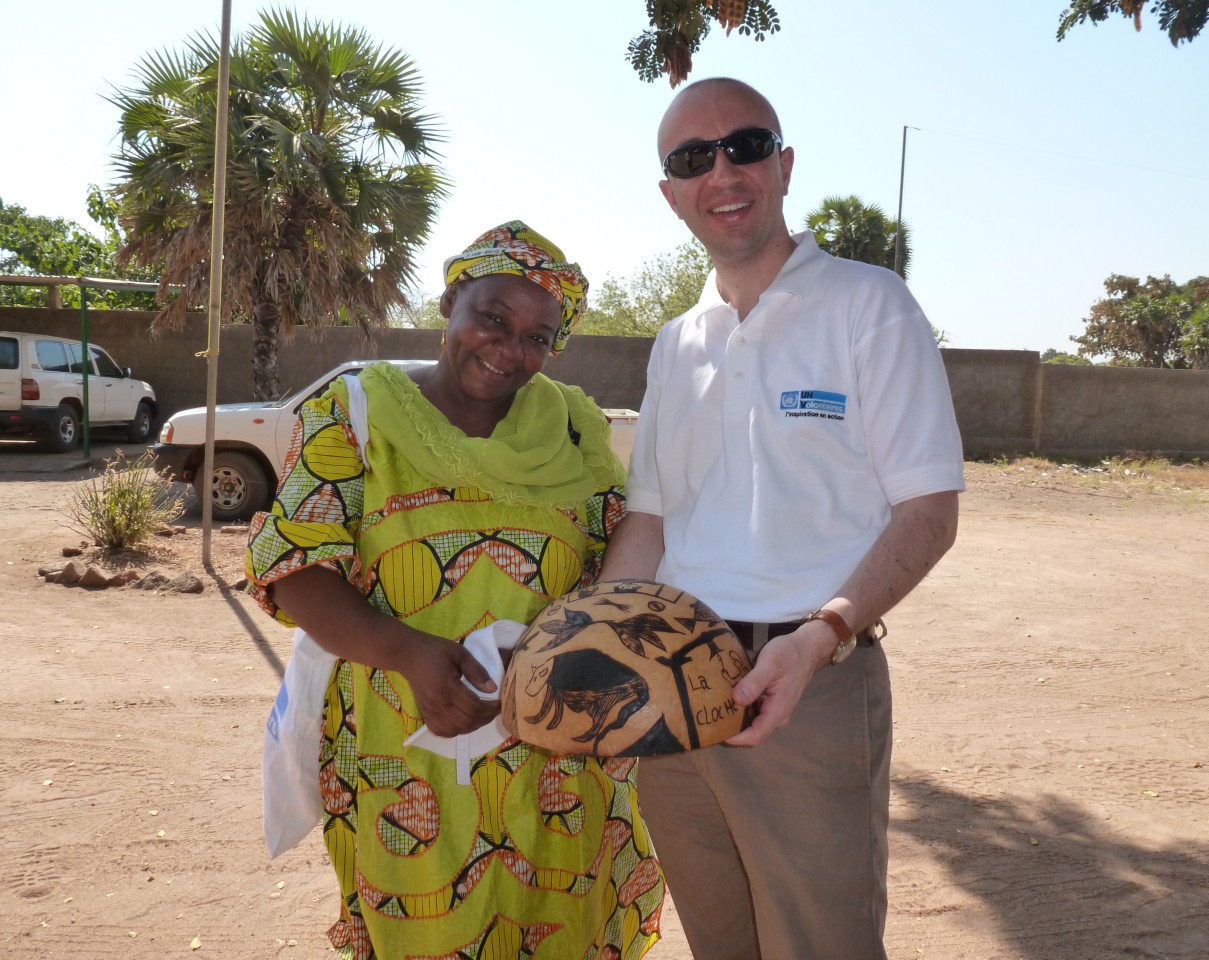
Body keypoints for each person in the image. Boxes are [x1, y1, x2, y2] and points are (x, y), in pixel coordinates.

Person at [598, 79, 965, 959]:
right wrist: (594, 649)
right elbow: (649, 524)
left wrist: (819, 636)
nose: (723, 171)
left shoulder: (870, 305)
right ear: (671, 193)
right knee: (719, 944)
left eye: (746, 145)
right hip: (674, 689)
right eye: (694, 158)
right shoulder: (675, 343)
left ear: (785, 164)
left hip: (809, 686)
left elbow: (929, 510)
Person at [245, 222, 665, 960]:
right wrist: (408, 653)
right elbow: (296, 566)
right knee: (424, 930)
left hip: (555, 750)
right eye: (492, 318)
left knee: (558, 925)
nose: (508, 349)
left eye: (537, 338)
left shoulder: (575, 429)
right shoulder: (358, 413)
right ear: (449, 304)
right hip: (405, 746)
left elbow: (615, 564)